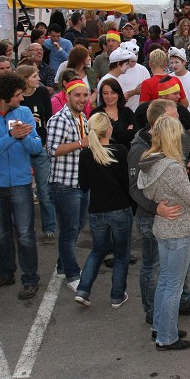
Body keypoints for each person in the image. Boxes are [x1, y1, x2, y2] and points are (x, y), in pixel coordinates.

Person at [138, 115, 190, 350]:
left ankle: (160, 327)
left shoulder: (149, 161)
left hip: (163, 227)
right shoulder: (172, 167)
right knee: (173, 287)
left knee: (165, 282)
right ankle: (167, 338)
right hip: (178, 230)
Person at [0, 73, 44, 300]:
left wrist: (24, 139)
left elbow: (36, 148)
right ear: (4, 98)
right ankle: (6, 272)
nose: (22, 99)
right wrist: (12, 136)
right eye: (17, 95)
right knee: (2, 234)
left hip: (21, 182)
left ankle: (30, 278)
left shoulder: (23, 113)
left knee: (25, 234)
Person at [74, 113, 133, 308]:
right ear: (109, 129)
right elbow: (127, 182)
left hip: (97, 210)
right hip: (120, 209)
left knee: (97, 250)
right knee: (121, 253)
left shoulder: (86, 154)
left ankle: (83, 290)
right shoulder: (121, 150)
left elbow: (83, 185)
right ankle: (117, 295)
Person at [46, 78, 92, 291]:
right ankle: (72, 273)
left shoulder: (82, 117)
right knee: (69, 230)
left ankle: (62, 264)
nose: (82, 99)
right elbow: (53, 149)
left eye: (85, 95)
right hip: (65, 184)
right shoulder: (60, 119)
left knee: (77, 227)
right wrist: (80, 143)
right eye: (77, 95)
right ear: (67, 95)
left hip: (81, 182)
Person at [17, 64, 56, 245]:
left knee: (44, 190)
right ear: (25, 79)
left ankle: (49, 228)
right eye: (34, 76)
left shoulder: (41, 93)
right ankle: (24, 228)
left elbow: (48, 117)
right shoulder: (15, 97)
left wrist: (47, 140)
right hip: (20, 147)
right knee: (22, 191)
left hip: (40, 145)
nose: (38, 78)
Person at [96, 78, 137, 148]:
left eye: (113, 93)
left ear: (119, 94)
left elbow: (135, 134)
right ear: (101, 95)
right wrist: (125, 132)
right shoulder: (96, 114)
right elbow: (95, 136)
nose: (109, 96)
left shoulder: (128, 112)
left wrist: (108, 134)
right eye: (105, 93)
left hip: (125, 156)